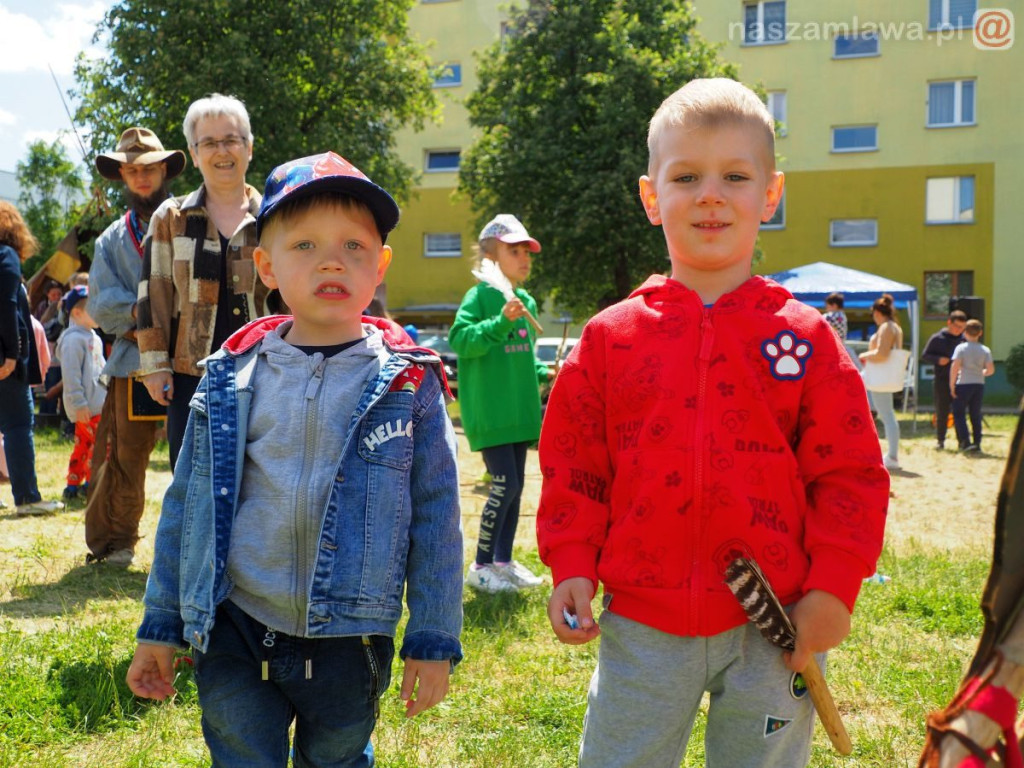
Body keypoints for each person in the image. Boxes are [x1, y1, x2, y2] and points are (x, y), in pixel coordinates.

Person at [536, 78, 889, 768]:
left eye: (735, 175)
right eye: (687, 175)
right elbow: (575, 464)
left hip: (775, 623)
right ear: (651, 196)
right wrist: (572, 563)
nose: (710, 194)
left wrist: (833, 588)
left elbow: (849, 471)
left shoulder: (807, 339)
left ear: (771, 194)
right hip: (642, 621)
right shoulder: (610, 339)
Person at [126, 151, 464, 767]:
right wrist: (161, 624)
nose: (332, 260)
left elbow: (437, 516)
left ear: (380, 265)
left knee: (335, 758)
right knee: (240, 754)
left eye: (354, 247)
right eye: (304, 246)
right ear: (266, 267)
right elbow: (188, 504)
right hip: (235, 622)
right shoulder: (229, 379)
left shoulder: (409, 386)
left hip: (349, 638)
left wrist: (433, 637)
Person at [136, 94, 273, 471]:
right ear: (194, 154)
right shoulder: (170, 217)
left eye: (231, 139)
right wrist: (155, 366)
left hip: (267, 372)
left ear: (249, 147)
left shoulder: (276, 217)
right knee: (195, 484)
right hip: (190, 377)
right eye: (209, 143)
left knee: (261, 482)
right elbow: (153, 296)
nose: (221, 151)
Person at [85, 126, 186, 566]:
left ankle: (200, 541)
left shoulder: (192, 220)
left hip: (192, 357)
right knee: (124, 455)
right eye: (131, 170)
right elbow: (100, 303)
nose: (140, 177)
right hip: (133, 364)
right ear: (122, 177)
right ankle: (117, 543)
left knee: (201, 451)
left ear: (164, 169)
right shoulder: (109, 239)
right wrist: (145, 316)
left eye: (148, 168)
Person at [449, 213, 550, 594]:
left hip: (520, 414)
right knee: (503, 486)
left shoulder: (525, 301)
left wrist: (545, 372)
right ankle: (480, 566)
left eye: (527, 250)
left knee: (516, 489)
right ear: (490, 257)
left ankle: (503, 564)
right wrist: (500, 323)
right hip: (490, 414)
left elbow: (522, 356)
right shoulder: (479, 297)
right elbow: (462, 341)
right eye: (515, 250)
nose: (525, 257)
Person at [0, 201, 64, 516]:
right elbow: (7, 306)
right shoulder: (5, 255)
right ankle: (27, 498)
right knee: (17, 424)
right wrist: (11, 356)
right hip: (4, 362)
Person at [55, 286, 106, 501]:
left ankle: (75, 485)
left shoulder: (94, 337)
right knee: (96, 446)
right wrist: (79, 403)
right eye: (94, 308)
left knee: (86, 445)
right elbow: (71, 375)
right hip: (86, 406)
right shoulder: (73, 340)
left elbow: (101, 369)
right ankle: (87, 483)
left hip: (96, 404)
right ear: (77, 313)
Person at [859, 293, 905, 471]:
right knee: (886, 415)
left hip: (880, 376)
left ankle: (892, 456)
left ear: (877, 312)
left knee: (886, 415)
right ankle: (890, 455)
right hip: (883, 376)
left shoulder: (887, 327)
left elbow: (882, 353)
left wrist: (864, 355)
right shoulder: (894, 327)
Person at [922, 310, 968, 450]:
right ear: (949, 322)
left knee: (959, 411)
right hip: (942, 380)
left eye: (962, 327)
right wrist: (938, 360)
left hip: (960, 381)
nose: (958, 330)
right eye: (956, 326)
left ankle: (963, 441)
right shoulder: (937, 338)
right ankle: (940, 440)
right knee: (942, 411)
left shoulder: (964, 340)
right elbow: (925, 355)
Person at [950, 319, 995, 453]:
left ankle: (964, 441)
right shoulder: (985, 350)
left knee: (959, 413)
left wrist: (952, 384)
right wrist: (982, 372)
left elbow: (955, 367)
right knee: (975, 413)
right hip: (978, 383)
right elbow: (991, 369)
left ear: (965, 332)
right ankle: (977, 442)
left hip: (963, 383)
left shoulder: (961, 348)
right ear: (980, 333)